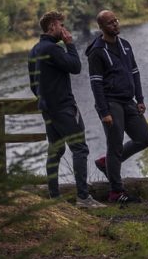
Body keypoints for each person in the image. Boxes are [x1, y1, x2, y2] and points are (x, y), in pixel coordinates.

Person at [27, 12, 105, 208]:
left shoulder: (34, 50)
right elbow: (75, 67)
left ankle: (53, 196)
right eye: (61, 25)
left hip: (47, 109)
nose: (64, 29)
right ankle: (83, 198)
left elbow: (33, 84)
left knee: (56, 150)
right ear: (52, 27)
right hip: (64, 107)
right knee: (80, 148)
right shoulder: (53, 49)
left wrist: (44, 100)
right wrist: (70, 44)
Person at [86, 9, 148, 204]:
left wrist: (139, 99)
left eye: (116, 20)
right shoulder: (97, 51)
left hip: (128, 101)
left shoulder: (125, 45)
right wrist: (104, 111)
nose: (115, 24)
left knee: (144, 138)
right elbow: (96, 83)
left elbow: (135, 72)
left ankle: (106, 163)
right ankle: (116, 192)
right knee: (114, 146)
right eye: (110, 22)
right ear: (102, 27)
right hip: (111, 103)